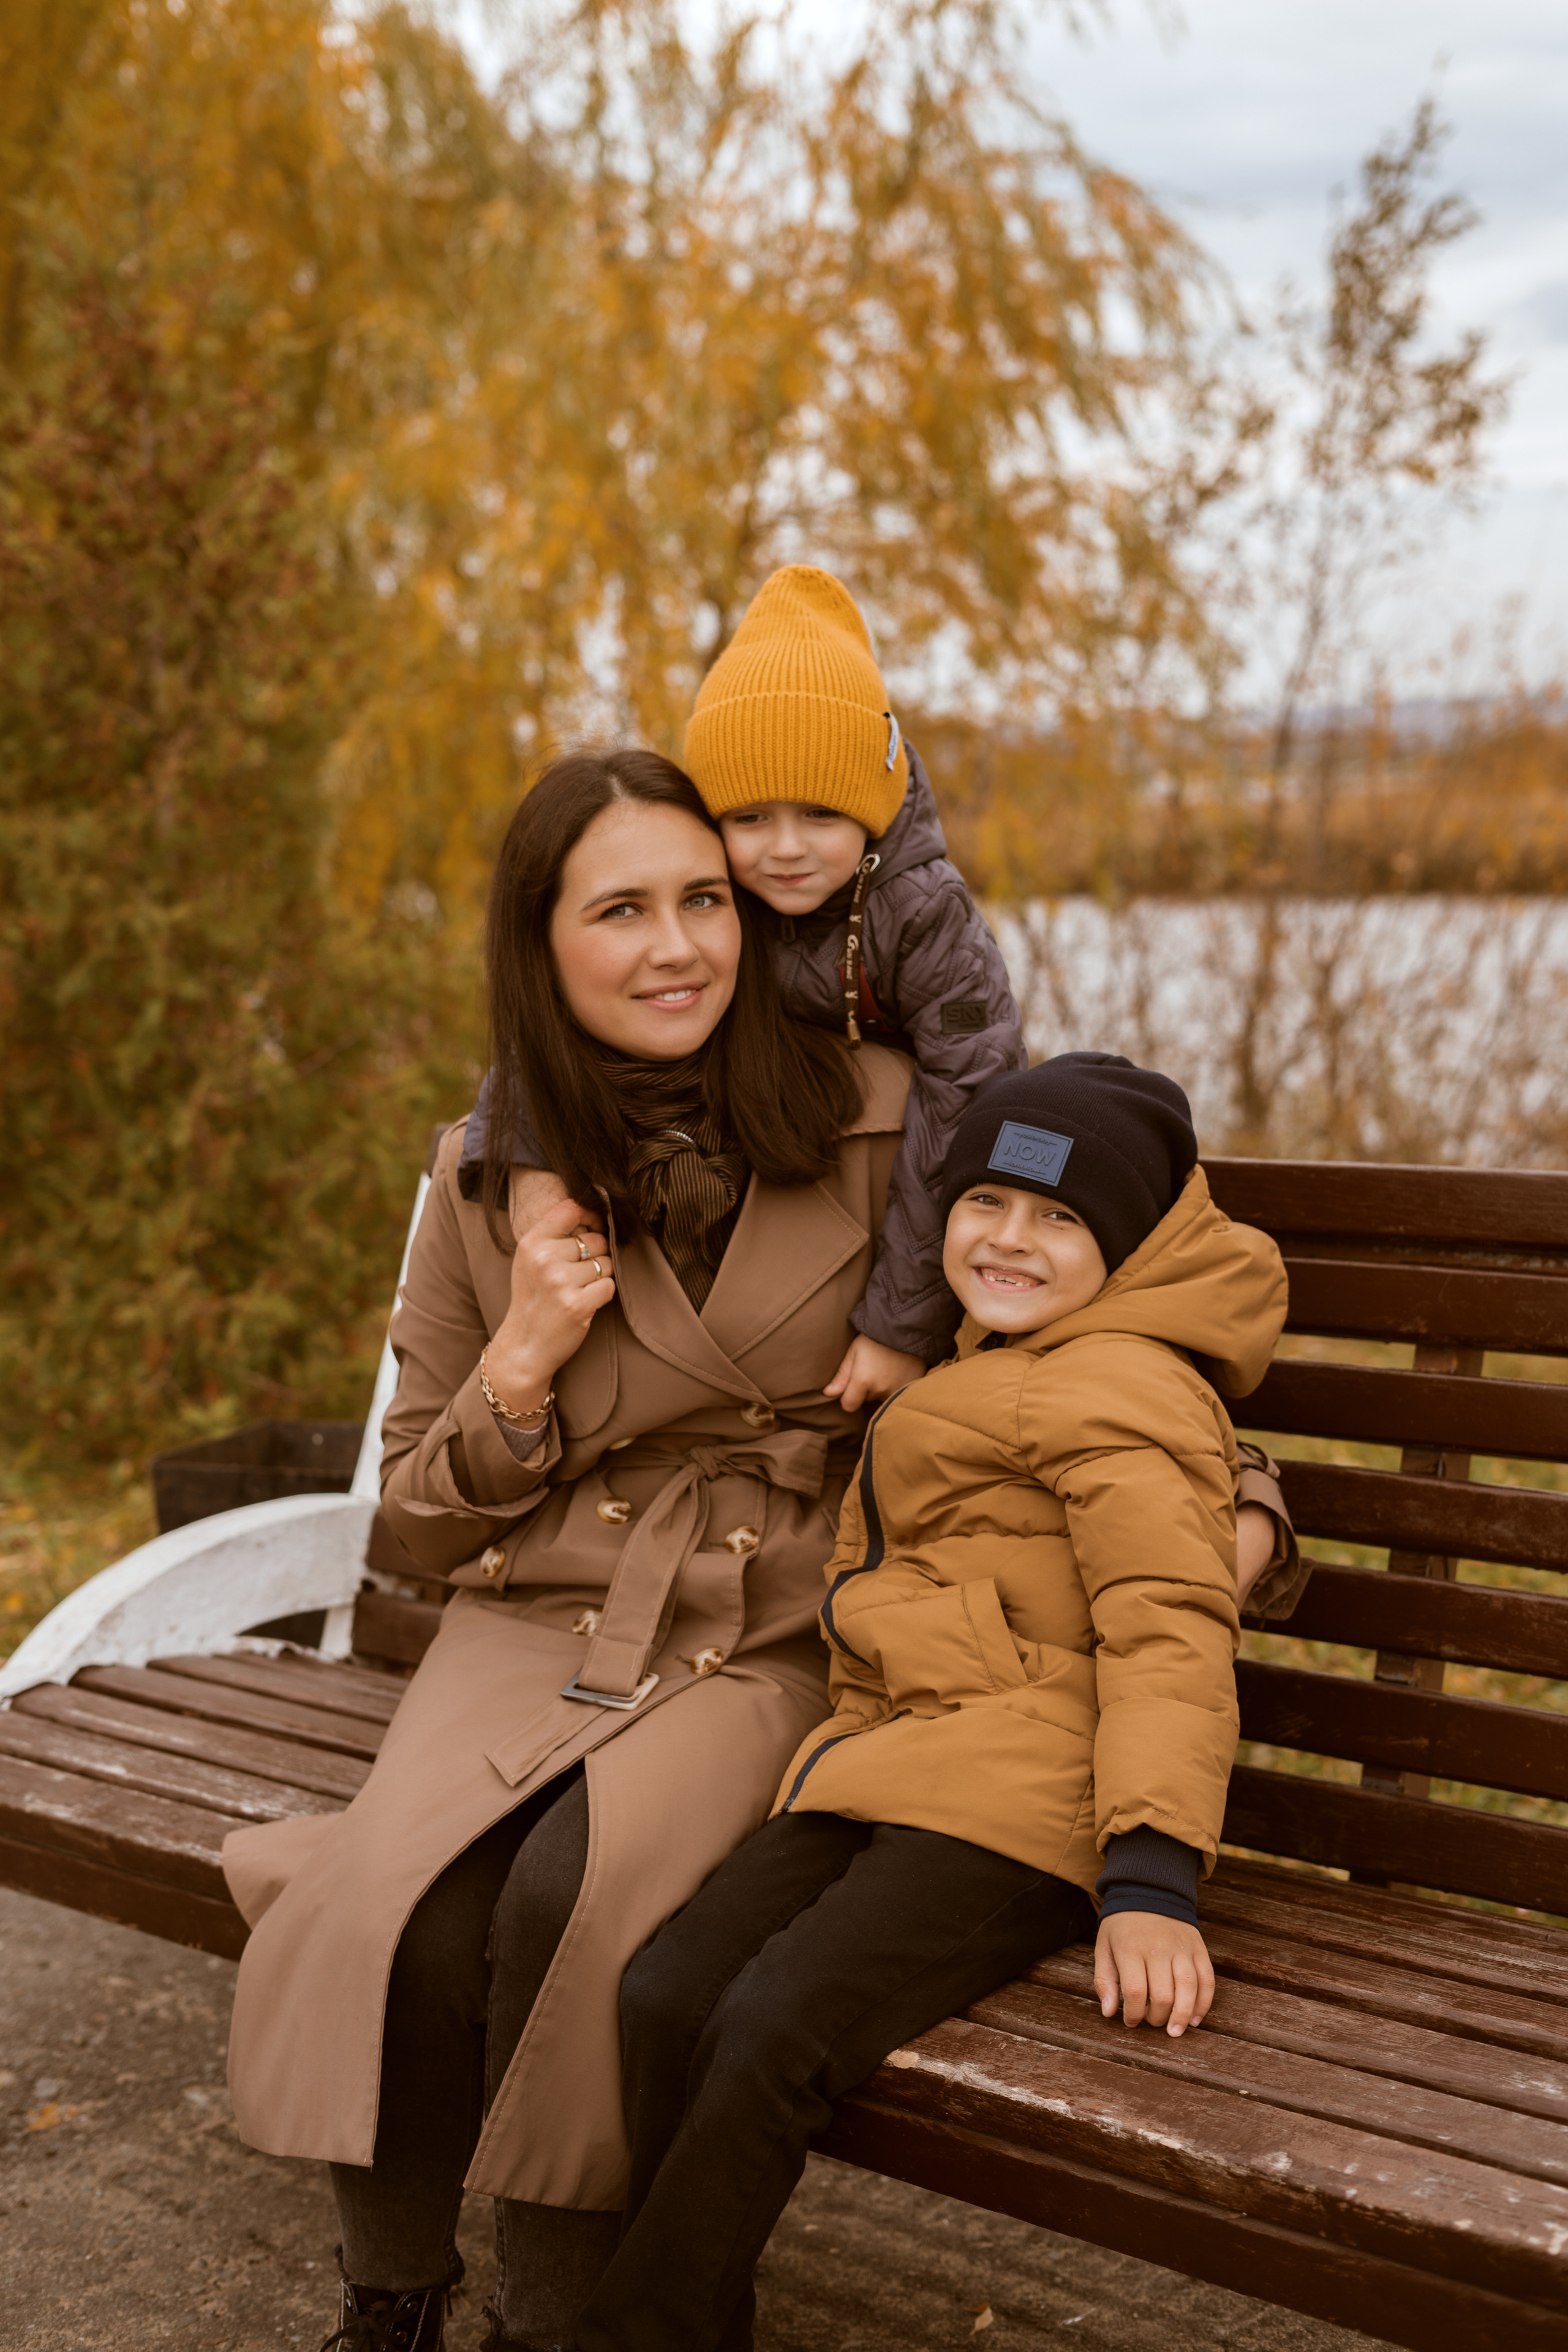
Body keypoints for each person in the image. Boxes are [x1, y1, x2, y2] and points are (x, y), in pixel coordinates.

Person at [221, 748, 918, 2352]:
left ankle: (558, 2328)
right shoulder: (484, 1173)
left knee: (569, 1896)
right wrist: (523, 1358)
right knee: (393, 1904)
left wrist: (1234, 1490)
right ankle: (389, 2309)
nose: (679, 945)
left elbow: (1088, 1294)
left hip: (774, 1623)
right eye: (623, 910)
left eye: (703, 900)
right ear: (539, 946)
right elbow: (413, 1509)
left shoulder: (884, 1120)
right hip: (540, 1610)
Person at [572, 1050, 1291, 2352]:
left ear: (1122, 1249)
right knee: (666, 1985)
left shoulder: (1124, 1386)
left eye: (1061, 1219)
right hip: (899, 1759)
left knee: (770, 2024)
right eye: (985, 1204)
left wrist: (1146, 1880)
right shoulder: (996, 1362)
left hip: (1030, 1806)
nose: (1009, 1239)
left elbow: (1165, 1629)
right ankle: (680, 2313)